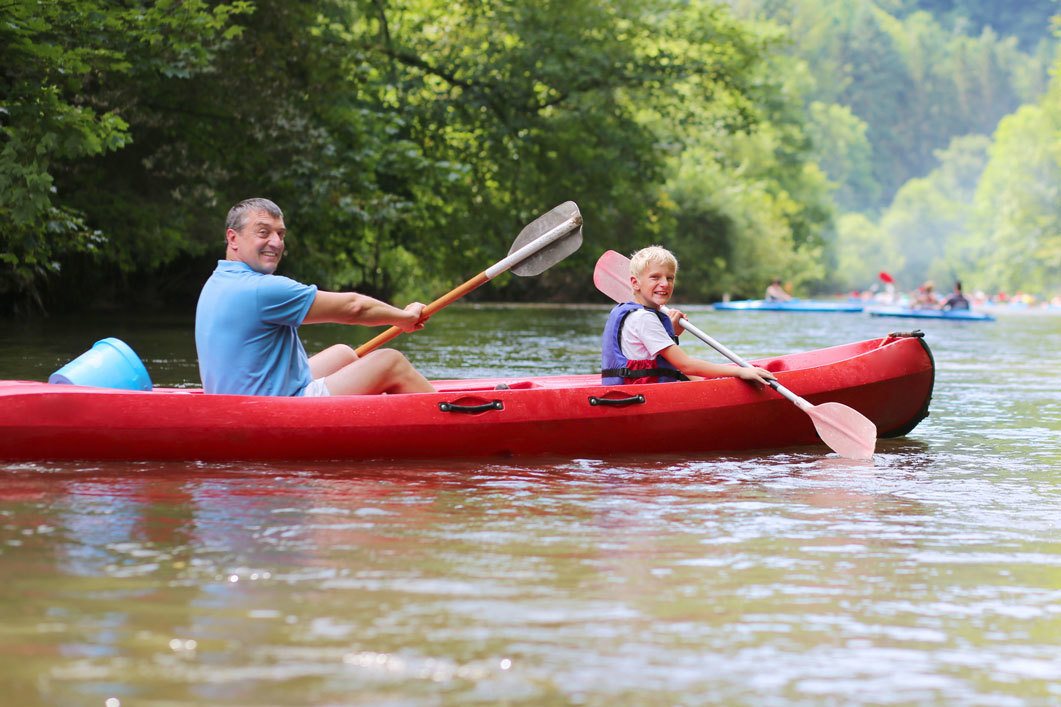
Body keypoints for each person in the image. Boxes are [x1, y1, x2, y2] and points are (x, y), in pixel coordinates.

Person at [195, 198, 436, 396]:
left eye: (280, 234)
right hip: (274, 409)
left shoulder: (217, 281)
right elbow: (354, 308)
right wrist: (404, 317)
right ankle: (447, 416)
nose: (276, 242)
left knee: (343, 353)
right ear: (233, 238)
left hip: (236, 398)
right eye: (263, 232)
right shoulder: (261, 289)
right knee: (390, 362)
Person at [601, 245, 776, 387]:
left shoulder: (634, 313)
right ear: (635, 283)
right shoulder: (644, 319)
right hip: (641, 397)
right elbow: (685, 365)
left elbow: (651, 357)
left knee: (698, 379)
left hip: (631, 388)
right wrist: (741, 371)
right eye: (655, 277)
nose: (664, 283)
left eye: (670, 278)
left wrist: (671, 333)